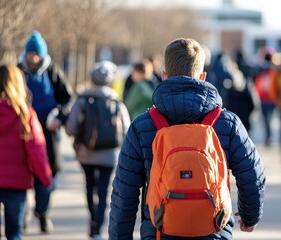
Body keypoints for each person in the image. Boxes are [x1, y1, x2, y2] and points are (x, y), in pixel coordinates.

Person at [109, 38, 266, 239]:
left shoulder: (143, 126)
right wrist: (250, 216)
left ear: (164, 76)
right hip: (214, 229)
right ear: (202, 76)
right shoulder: (226, 123)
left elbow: (124, 191)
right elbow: (252, 173)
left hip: (159, 231)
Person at [0, 65, 52, 240]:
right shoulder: (24, 113)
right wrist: (45, 178)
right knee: (15, 232)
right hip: (16, 184)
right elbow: (37, 149)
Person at [65, 61, 131, 239]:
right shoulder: (117, 102)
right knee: (103, 191)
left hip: (86, 153)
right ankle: (98, 228)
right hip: (110, 155)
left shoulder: (83, 100)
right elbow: (126, 130)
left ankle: (92, 220)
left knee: (90, 186)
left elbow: (71, 128)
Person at [18, 31, 74, 232]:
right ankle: (21, 215)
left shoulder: (52, 71)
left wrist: (58, 116)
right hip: (22, 132)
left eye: (36, 54)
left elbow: (68, 98)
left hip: (48, 135)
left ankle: (42, 211)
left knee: (47, 173)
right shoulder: (18, 71)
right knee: (22, 172)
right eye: (30, 54)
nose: (33, 58)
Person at [253, 47, 278, 146]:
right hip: (272, 98)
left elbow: (255, 81)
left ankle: (267, 136)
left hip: (262, 98)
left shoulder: (259, 69)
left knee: (265, 119)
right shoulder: (274, 69)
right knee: (270, 118)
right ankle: (269, 136)